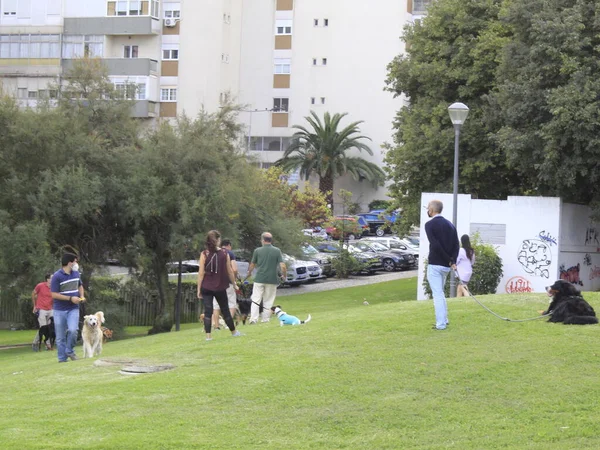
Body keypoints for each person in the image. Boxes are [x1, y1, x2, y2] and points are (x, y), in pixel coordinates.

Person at [196, 230, 241, 341]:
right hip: (220, 286)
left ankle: (208, 336)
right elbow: (230, 271)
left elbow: (201, 273)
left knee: (208, 311)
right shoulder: (225, 254)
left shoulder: (204, 254)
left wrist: (199, 289)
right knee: (225, 309)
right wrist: (234, 284)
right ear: (218, 240)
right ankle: (234, 332)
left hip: (206, 286)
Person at [424, 200, 460, 330]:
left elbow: (435, 244)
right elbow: (456, 244)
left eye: (428, 208)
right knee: (441, 293)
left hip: (435, 264)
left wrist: (449, 260)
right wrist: (452, 260)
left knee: (437, 294)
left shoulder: (429, 225)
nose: (427, 210)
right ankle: (444, 319)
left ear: (432, 210)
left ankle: (441, 324)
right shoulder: (450, 225)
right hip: (446, 266)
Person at [243, 232, 287, 324]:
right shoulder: (277, 250)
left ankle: (253, 319)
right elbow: (283, 266)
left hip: (259, 279)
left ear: (263, 240)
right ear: (271, 240)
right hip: (272, 279)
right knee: (268, 300)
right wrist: (284, 275)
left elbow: (252, 264)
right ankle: (265, 319)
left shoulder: (257, 251)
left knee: (256, 299)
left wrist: (249, 273)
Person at [51, 253, 85, 362]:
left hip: (73, 308)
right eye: (75, 261)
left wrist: (82, 296)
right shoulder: (57, 276)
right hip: (59, 310)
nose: (76, 264)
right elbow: (54, 294)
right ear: (70, 263)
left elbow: (80, 286)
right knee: (60, 337)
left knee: (73, 330)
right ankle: (62, 359)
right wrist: (70, 298)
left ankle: (69, 350)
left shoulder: (76, 273)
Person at [211, 239, 239, 330]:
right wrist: (234, 280)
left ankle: (216, 326)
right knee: (231, 303)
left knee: (216, 305)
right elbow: (234, 269)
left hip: (215, 282)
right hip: (227, 282)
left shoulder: (213, 253)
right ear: (229, 245)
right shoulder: (230, 253)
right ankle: (228, 324)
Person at [31, 274, 54, 351]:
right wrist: (34, 306)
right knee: (43, 327)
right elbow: (33, 294)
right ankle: (47, 345)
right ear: (47, 279)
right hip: (41, 309)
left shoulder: (55, 287)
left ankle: (36, 342)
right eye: (52, 278)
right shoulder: (40, 286)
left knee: (49, 328)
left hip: (50, 309)